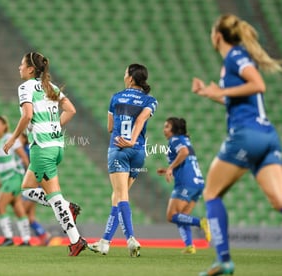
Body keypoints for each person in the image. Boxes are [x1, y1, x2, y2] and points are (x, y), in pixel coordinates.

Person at [192, 14, 282, 275]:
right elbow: (239, 98)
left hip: (246, 135)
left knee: (211, 193)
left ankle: (224, 260)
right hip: (267, 136)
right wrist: (212, 94)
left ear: (217, 36)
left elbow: (258, 84)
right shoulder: (233, 61)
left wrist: (220, 91)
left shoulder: (234, 57)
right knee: (278, 201)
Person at [3, 52, 86, 256]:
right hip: (56, 145)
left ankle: (76, 240)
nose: (19, 68)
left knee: (53, 196)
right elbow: (71, 110)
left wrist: (13, 137)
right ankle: (67, 207)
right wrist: (54, 126)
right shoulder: (51, 87)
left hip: (41, 148)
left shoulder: (25, 87)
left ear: (31, 69)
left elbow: (28, 115)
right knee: (26, 189)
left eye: (22, 64)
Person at [89, 63, 158, 257]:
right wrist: (134, 140)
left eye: (125, 72)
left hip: (119, 149)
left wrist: (127, 139)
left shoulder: (116, 97)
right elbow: (141, 120)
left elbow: (110, 127)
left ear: (130, 78)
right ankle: (105, 242)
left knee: (121, 196)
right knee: (117, 196)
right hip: (137, 153)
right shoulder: (150, 100)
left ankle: (130, 239)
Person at [156, 117, 210, 254]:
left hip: (186, 183)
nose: (164, 129)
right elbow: (185, 160)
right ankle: (190, 246)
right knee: (183, 216)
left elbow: (184, 153)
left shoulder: (175, 140)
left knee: (171, 216)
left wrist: (170, 168)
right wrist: (169, 169)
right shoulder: (185, 140)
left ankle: (201, 222)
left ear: (174, 129)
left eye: (167, 126)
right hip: (197, 183)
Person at [0, 116, 31, 246]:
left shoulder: (11, 138)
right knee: (17, 207)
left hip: (15, 177)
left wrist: (29, 176)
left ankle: (9, 238)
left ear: (4, 126)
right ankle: (26, 239)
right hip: (7, 179)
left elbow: (24, 157)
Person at [19, 133, 52, 246]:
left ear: (24, 139)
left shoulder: (27, 150)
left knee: (21, 211)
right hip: (32, 184)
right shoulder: (22, 150)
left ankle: (27, 239)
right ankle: (43, 236)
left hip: (33, 186)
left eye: (20, 138)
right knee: (30, 217)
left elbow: (34, 165)